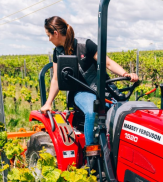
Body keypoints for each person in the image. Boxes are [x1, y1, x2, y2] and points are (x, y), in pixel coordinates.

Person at [40, 16, 139, 146]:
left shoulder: (86, 45)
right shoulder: (58, 53)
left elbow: (108, 63)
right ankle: (91, 152)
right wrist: (48, 103)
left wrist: (126, 74)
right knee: (91, 111)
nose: (49, 39)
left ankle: (119, 146)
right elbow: (56, 79)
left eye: (49, 35)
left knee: (125, 112)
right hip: (80, 92)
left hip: (102, 89)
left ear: (56, 34)